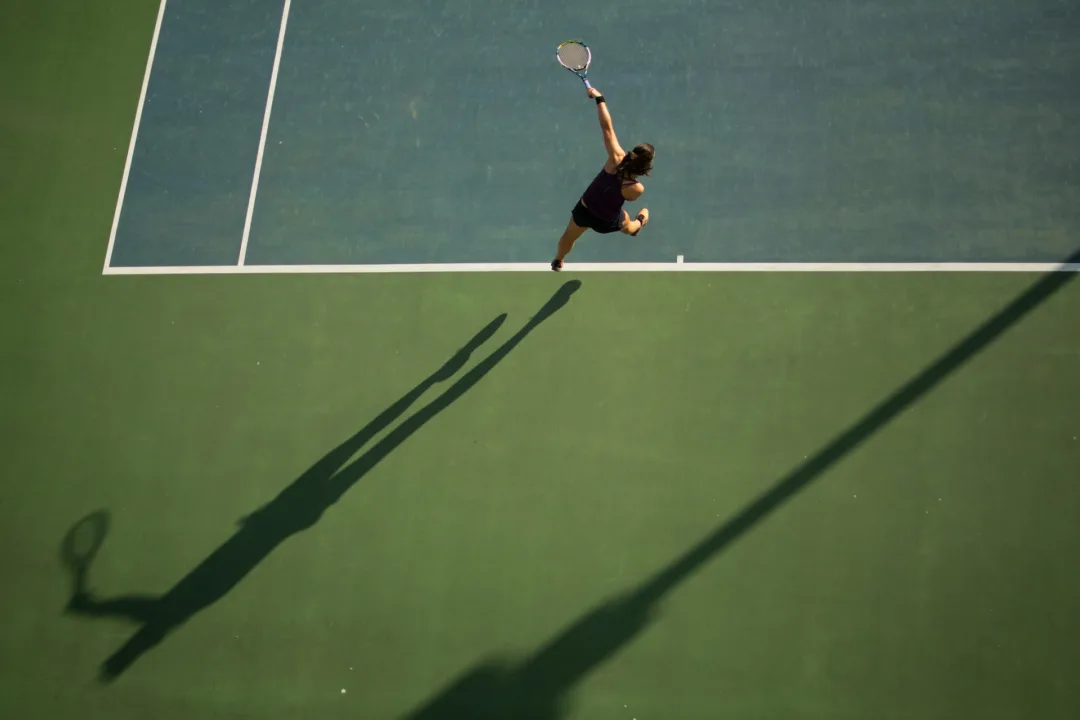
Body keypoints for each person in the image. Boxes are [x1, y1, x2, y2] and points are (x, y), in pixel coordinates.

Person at [551, 87, 653, 271]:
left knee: (568, 237)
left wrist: (600, 99)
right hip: (605, 220)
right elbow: (627, 198)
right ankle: (639, 224)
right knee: (629, 226)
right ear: (646, 167)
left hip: (585, 208)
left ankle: (558, 260)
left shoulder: (616, 157)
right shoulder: (637, 188)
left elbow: (607, 128)